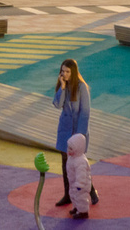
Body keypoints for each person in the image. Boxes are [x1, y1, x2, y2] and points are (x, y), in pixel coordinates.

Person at [51, 59, 96, 207]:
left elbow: (85, 112)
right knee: (66, 164)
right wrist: (62, 88)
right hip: (65, 130)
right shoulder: (64, 86)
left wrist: (80, 137)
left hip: (77, 131)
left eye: (68, 71)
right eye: (62, 71)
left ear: (74, 72)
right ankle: (67, 194)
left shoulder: (82, 87)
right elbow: (57, 104)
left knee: (79, 165)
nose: (64, 74)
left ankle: (91, 191)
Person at [63, 133, 93, 220]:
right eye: (68, 147)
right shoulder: (72, 158)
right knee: (73, 195)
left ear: (78, 149)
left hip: (81, 184)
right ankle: (77, 208)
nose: (68, 150)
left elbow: (81, 174)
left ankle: (83, 212)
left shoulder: (80, 161)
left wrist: (80, 184)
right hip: (73, 182)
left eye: (71, 148)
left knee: (81, 197)